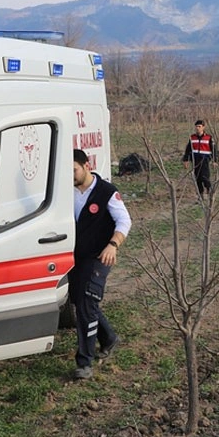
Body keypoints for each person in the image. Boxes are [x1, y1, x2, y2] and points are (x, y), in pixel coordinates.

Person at [70, 148, 131, 380]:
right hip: (76, 257)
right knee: (81, 301)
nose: (71, 175)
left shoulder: (107, 192)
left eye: (74, 170)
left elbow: (124, 221)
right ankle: (109, 338)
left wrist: (113, 245)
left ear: (87, 165)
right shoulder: (66, 192)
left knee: (86, 302)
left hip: (100, 256)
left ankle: (85, 362)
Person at [182, 119, 216, 198]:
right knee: (198, 179)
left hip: (205, 160)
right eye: (196, 126)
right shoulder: (192, 137)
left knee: (205, 177)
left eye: (199, 126)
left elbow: (214, 150)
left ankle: (209, 189)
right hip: (195, 160)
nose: (197, 128)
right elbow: (188, 149)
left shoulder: (209, 138)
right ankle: (200, 195)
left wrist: (214, 160)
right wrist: (185, 159)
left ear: (203, 127)